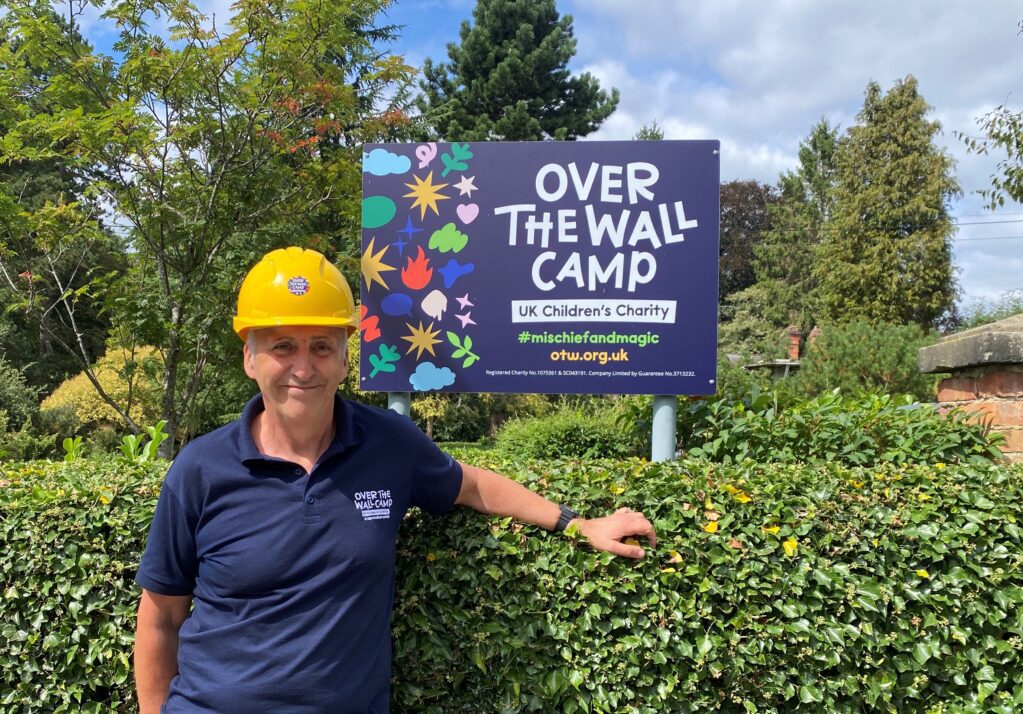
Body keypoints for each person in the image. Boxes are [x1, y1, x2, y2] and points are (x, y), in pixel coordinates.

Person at [134, 246, 657, 713]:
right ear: (249, 358)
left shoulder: (388, 444)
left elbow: (472, 484)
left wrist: (580, 523)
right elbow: (160, 618)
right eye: (282, 346)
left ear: (344, 357)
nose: (303, 366)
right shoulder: (200, 469)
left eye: (321, 345)